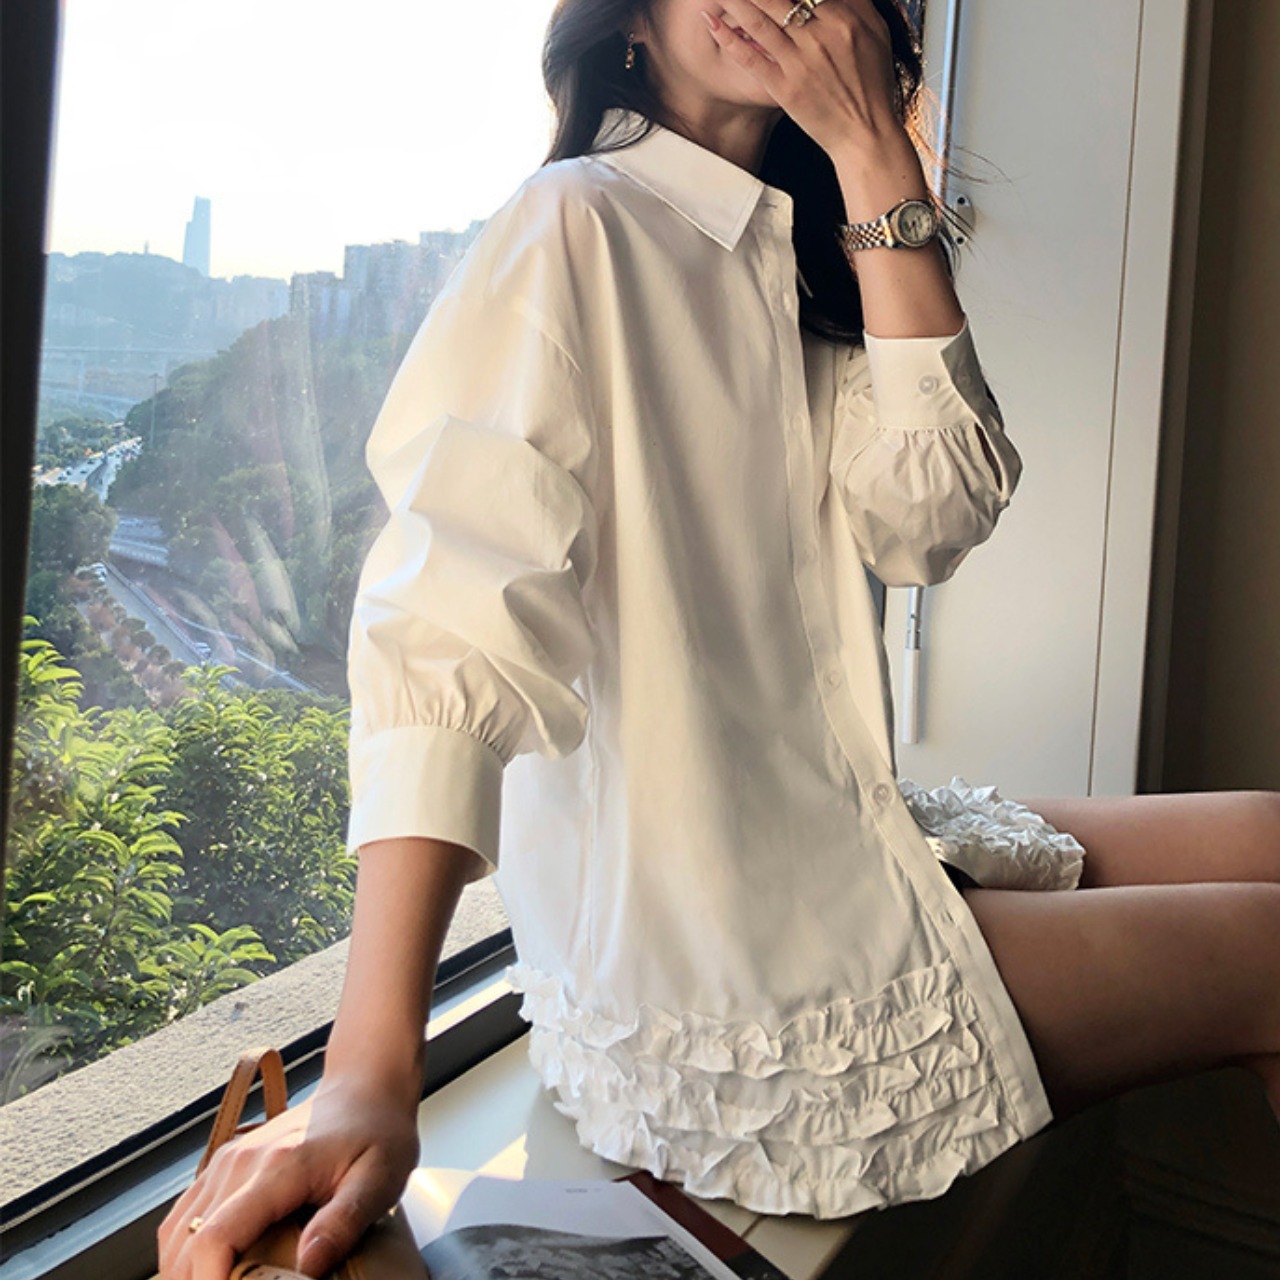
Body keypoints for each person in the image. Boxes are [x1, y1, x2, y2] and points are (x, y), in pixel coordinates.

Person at [158, 1, 1280, 1275]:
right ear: (630, 20)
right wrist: (370, 1070)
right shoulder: (572, 221)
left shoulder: (805, 247)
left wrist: (872, 150)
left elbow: (932, 513)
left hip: (827, 835)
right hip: (712, 959)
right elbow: (452, 624)